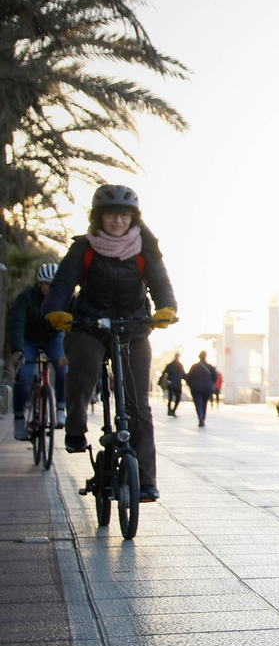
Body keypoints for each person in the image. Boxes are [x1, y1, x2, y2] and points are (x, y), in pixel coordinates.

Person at [41, 185, 177, 501]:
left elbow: (160, 282)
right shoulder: (84, 248)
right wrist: (55, 311)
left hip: (133, 327)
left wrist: (166, 308)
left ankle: (144, 480)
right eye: (111, 214)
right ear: (98, 217)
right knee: (84, 370)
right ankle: (75, 429)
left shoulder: (145, 247)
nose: (117, 220)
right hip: (88, 324)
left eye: (124, 214)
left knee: (138, 402)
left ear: (133, 218)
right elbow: (63, 283)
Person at [10, 263, 68, 440]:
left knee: (63, 369)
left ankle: (60, 408)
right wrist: (17, 350)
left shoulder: (65, 298)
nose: (50, 288)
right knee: (24, 375)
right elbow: (17, 324)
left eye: (53, 284)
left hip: (53, 338)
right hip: (29, 340)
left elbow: (73, 324)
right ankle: (19, 419)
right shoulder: (25, 298)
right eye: (46, 284)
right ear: (39, 283)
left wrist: (67, 353)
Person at [186, 351, 217, 426]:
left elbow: (188, 377)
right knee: (205, 402)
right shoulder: (210, 367)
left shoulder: (194, 367)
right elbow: (215, 377)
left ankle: (200, 415)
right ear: (205, 356)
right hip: (207, 387)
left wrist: (191, 385)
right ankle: (203, 417)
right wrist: (211, 384)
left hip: (196, 388)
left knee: (198, 403)